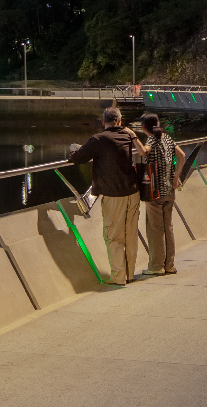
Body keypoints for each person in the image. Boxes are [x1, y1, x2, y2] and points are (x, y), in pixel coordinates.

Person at [68, 106, 140, 285]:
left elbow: (78, 157)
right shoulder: (128, 135)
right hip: (132, 192)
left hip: (113, 195)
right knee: (130, 234)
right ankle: (129, 274)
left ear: (103, 122)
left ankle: (118, 276)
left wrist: (72, 151)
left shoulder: (99, 139)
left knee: (113, 236)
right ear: (119, 121)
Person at [133, 113, 187, 275]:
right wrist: (176, 177)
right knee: (168, 227)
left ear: (144, 127)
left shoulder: (152, 139)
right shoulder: (168, 138)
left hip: (155, 191)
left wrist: (133, 137)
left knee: (155, 229)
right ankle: (170, 265)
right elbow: (182, 155)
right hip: (170, 189)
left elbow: (143, 152)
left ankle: (156, 266)